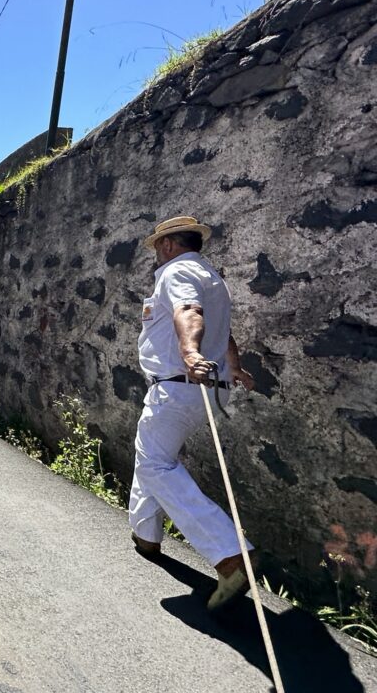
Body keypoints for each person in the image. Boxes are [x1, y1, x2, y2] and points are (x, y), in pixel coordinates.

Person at [128, 216, 257, 611]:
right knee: (154, 457)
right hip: (209, 389)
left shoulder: (178, 270)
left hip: (181, 384)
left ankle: (230, 554)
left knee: (155, 466)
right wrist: (232, 366)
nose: (155, 255)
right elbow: (223, 329)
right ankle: (145, 535)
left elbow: (188, 312)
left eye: (155, 248)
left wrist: (190, 353)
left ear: (167, 244)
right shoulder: (212, 278)